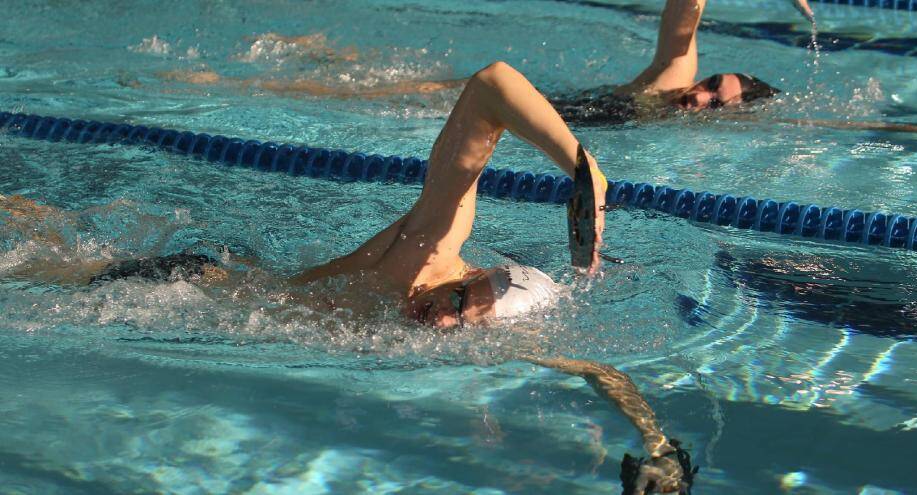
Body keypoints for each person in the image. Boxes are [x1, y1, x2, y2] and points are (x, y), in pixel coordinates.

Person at [4, 59, 698, 493]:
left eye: (467, 319)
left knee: (41, 242)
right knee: (36, 260)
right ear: (472, 271)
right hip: (178, 284)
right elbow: (491, 86)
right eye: (461, 296)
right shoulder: (429, 250)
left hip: (218, 295)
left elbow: (597, 368)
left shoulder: (465, 331)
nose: (447, 316)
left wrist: (656, 442)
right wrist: (582, 166)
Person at [165, 0, 813, 126]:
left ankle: (284, 59)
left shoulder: (677, 122)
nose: (699, 94)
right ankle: (219, 79)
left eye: (714, 101)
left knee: (367, 86)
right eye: (709, 82)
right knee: (355, 95)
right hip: (502, 98)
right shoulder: (669, 81)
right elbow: (685, 12)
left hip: (505, 103)